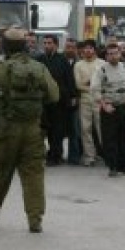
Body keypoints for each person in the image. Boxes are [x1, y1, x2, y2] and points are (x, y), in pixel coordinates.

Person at [0, 28, 59, 233]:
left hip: (8, 127)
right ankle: (35, 219)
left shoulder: (2, 66)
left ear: (5, 46)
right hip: (33, 128)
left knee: (1, 171)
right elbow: (54, 95)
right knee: (33, 174)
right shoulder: (39, 67)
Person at [92, 43, 125, 176]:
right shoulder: (101, 70)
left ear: (119, 54)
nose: (113, 56)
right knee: (110, 139)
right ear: (106, 56)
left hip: (124, 107)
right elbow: (95, 89)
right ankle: (112, 167)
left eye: (115, 53)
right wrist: (104, 105)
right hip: (109, 109)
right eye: (110, 54)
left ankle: (123, 166)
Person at [38, 34, 77, 166]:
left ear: (55, 45)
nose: (47, 45)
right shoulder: (40, 59)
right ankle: (46, 153)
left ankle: (56, 155)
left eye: (49, 43)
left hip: (59, 101)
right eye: (45, 43)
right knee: (45, 129)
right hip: (43, 101)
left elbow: (69, 79)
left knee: (57, 130)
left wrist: (72, 96)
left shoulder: (62, 60)